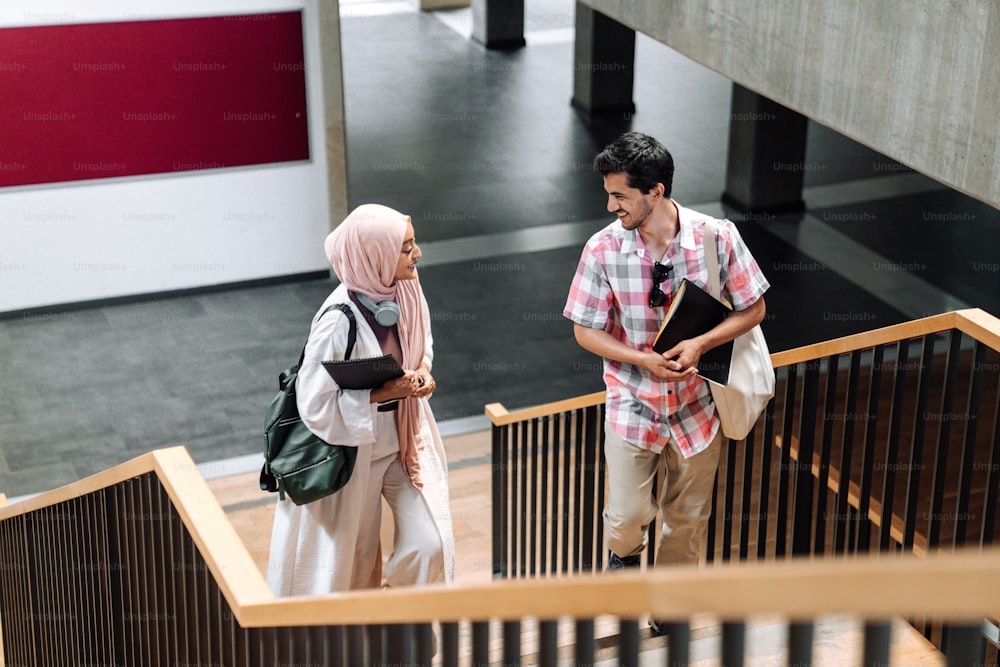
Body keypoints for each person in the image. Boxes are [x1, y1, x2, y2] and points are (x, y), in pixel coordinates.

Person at [563, 132, 769, 628]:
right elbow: (584, 329)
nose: (610, 204)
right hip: (633, 401)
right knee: (629, 512)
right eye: (609, 193)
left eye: (620, 195)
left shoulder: (715, 236)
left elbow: (755, 307)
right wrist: (639, 359)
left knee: (687, 520)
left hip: (700, 406)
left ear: (655, 191)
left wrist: (701, 344)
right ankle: (624, 557)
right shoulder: (602, 249)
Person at [267, 203, 455, 595]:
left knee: (429, 541)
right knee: (350, 563)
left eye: (413, 243)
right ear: (374, 256)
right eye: (405, 247)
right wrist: (382, 393)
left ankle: (399, 614)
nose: (417, 253)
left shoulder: (405, 289)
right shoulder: (337, 321)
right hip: (354, 455)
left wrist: (422, 373)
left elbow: (421, 344)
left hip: (403, 442)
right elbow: (314, 405)